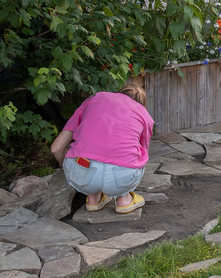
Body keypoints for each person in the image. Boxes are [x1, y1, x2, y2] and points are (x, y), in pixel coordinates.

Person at [50, 84, 154, 214]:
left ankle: (93, 198)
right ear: (141, 103)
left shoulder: (94, 99)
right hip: (121, 178)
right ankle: (124, 199)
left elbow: (56, 149)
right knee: (138, 156)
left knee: (83, 157)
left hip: (83, 173)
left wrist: (69, 167)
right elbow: (143, 151)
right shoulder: (143, 113)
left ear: (119, 93)